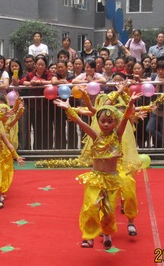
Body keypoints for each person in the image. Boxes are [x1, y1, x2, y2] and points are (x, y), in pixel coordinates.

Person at [53, 91, 141, 250]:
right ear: (98, 122)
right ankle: (89, 237)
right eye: (103, 121)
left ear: (115, 122)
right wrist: (68, 109)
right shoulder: (95, 136)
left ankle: (107, 235)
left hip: (112, 180)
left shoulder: (117, 137)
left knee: (108, 211)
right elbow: (80, 122)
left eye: (109, 121)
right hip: (96, 178)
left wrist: (130, 104)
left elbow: (126, 117)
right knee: (90, 206)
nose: (106, 124)